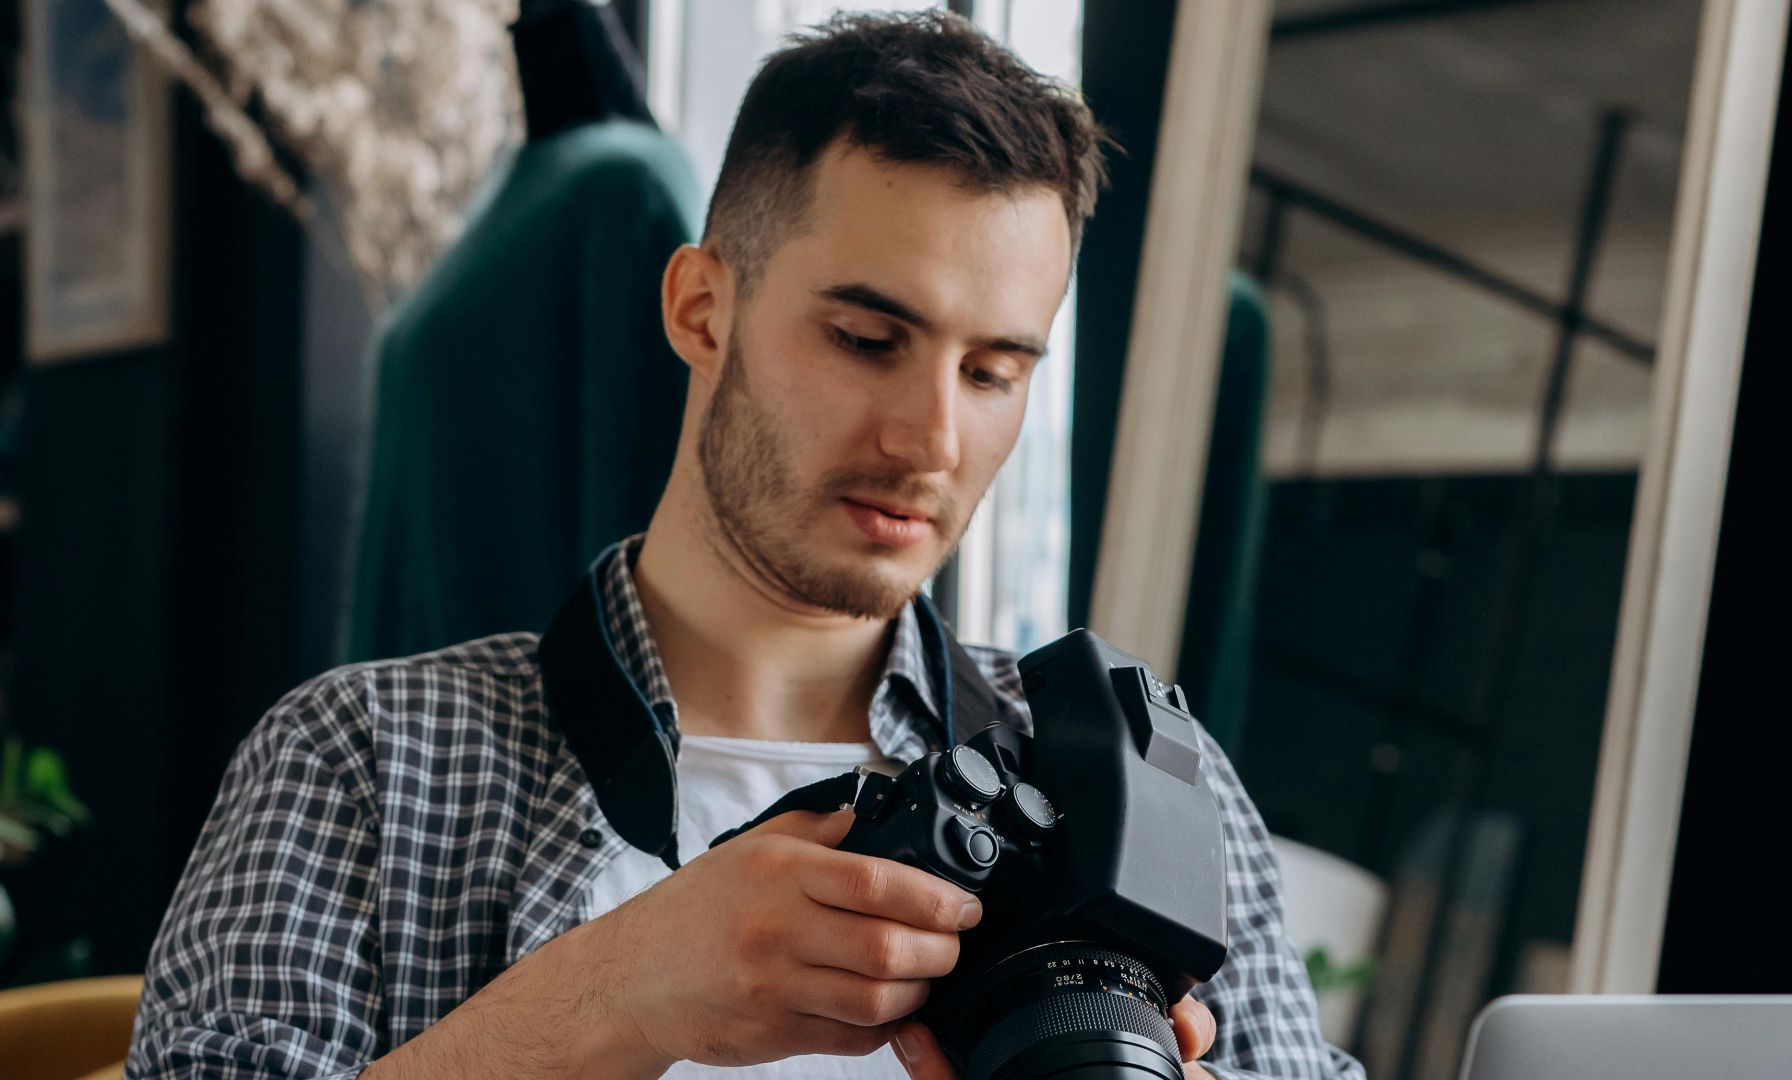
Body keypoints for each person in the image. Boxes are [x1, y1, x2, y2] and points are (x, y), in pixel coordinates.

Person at [126, 11, 1365, 1080]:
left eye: (992, 371)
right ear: (699, 309)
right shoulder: (363, 763)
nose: (929, 438)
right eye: (867, 341)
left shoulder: (1146, 780)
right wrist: (622, 989)